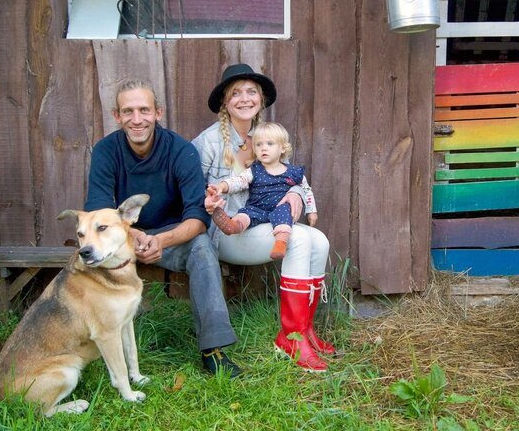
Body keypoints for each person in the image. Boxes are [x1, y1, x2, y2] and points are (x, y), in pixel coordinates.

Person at [84, 79, 242, 377]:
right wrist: (134, 235)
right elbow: (99, 212)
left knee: (203, 247)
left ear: (158, 112)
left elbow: (197, 218)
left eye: (144, 110)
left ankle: (213, 349)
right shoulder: (105, 151)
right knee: (85, 252)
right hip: (121, 237)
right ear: (117, 116)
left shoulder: (181, 151)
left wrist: (162, 241)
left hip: (172, 237)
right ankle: (86, 344)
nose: (137, 119)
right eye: (128, 111)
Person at [193, 63, 334, 373]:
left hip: (264, 224)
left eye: (252, 92)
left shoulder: (265, 136)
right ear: (224, 102)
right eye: (236, 93)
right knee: (297, 239)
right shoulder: (209, 142)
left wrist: (297, 195)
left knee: (320, 240)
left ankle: (305, 330)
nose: (245, 99)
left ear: (261, 99)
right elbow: (190, 190)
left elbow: (287, 179)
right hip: (228, 230)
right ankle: (291, 339)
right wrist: (209, 199)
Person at [208, 122, 318, 261]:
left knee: (285, 211)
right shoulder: (254, 170)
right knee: (245, 213)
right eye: (259, 145)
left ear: (283, 148)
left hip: (279, 208)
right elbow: (238, 182)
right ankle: (232, 226)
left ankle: (280, 243)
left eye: (270, 144)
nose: (263, 148)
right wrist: (221, 186)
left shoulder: (294, 172)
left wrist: (311, 211)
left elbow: (306, 190)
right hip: (257, 208)